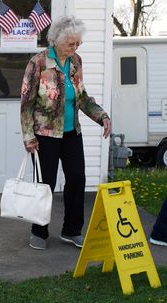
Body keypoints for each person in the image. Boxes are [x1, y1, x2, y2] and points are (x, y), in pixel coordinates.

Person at [20, 16, 111, 250]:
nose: (75, 48)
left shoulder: (76, 62)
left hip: (72, 133)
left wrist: (102, 116)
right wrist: (28, 135)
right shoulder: (39, 63)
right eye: (71, 43)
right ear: (56, 40)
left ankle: (71, 230)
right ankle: (39, 232)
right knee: (45, 184)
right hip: (45, 136)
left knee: (77, 179)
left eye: (77, 43)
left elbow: (82, 98)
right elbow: (26, 103)